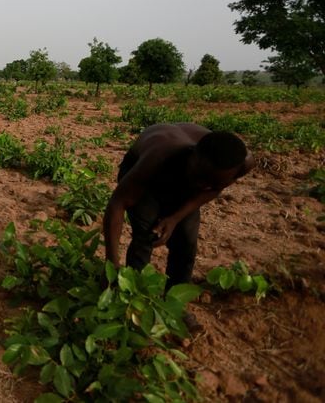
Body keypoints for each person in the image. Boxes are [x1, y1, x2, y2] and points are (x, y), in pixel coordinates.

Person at [103, 123, 254, 290]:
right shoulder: (158, 157)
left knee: (186, 241)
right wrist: (111, 264)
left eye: (212, 183)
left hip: (189, 170)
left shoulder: (242, 164)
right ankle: (132, 291)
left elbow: (213, 187)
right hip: (144, 167)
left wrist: (175, 218)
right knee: (147, 233)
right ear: (192, 156)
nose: (202, 185)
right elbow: (117, 203)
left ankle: (176, 297)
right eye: (199, 177)